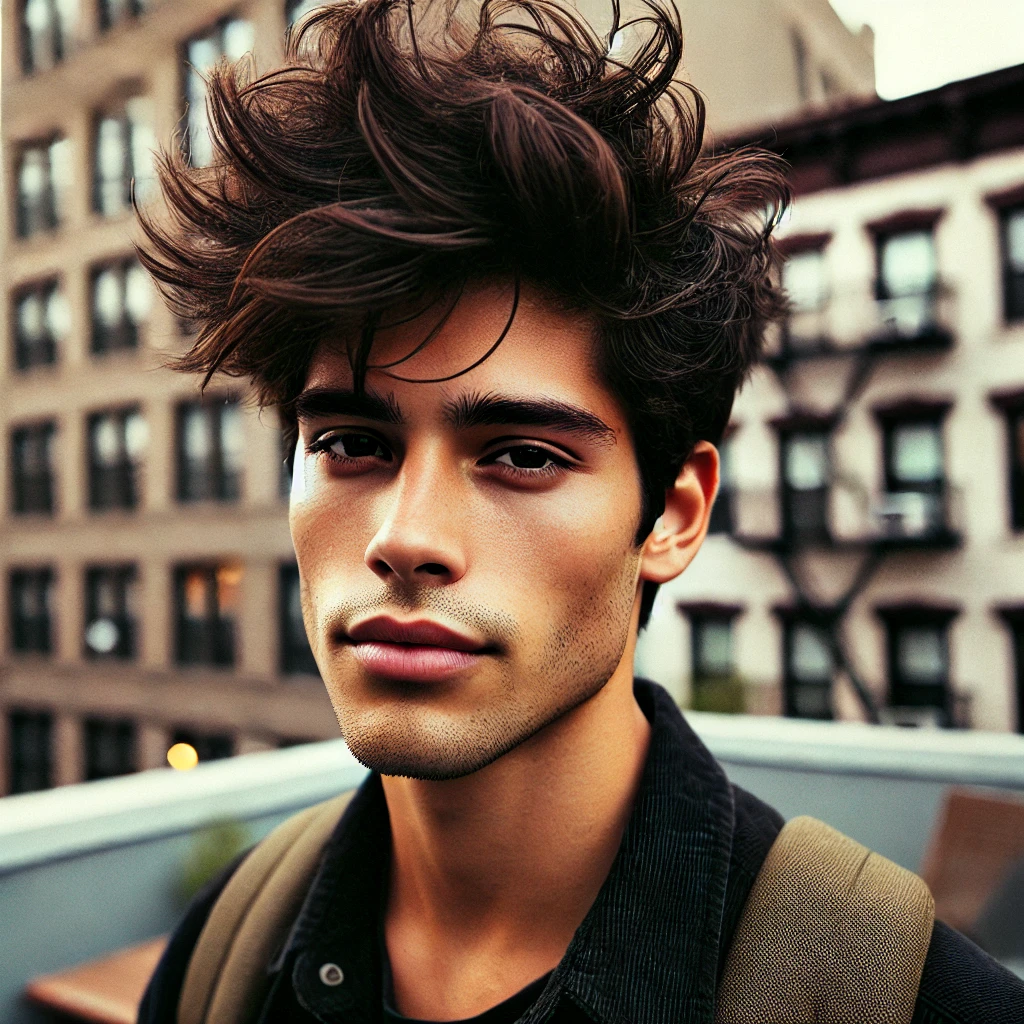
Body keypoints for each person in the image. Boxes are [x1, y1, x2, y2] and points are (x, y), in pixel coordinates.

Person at [136, 0, 1024, 1021]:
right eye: (351, 444)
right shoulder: (223, 955)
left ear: (674, 514)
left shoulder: (903, 1002)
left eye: (520, 455)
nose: (405, 538)